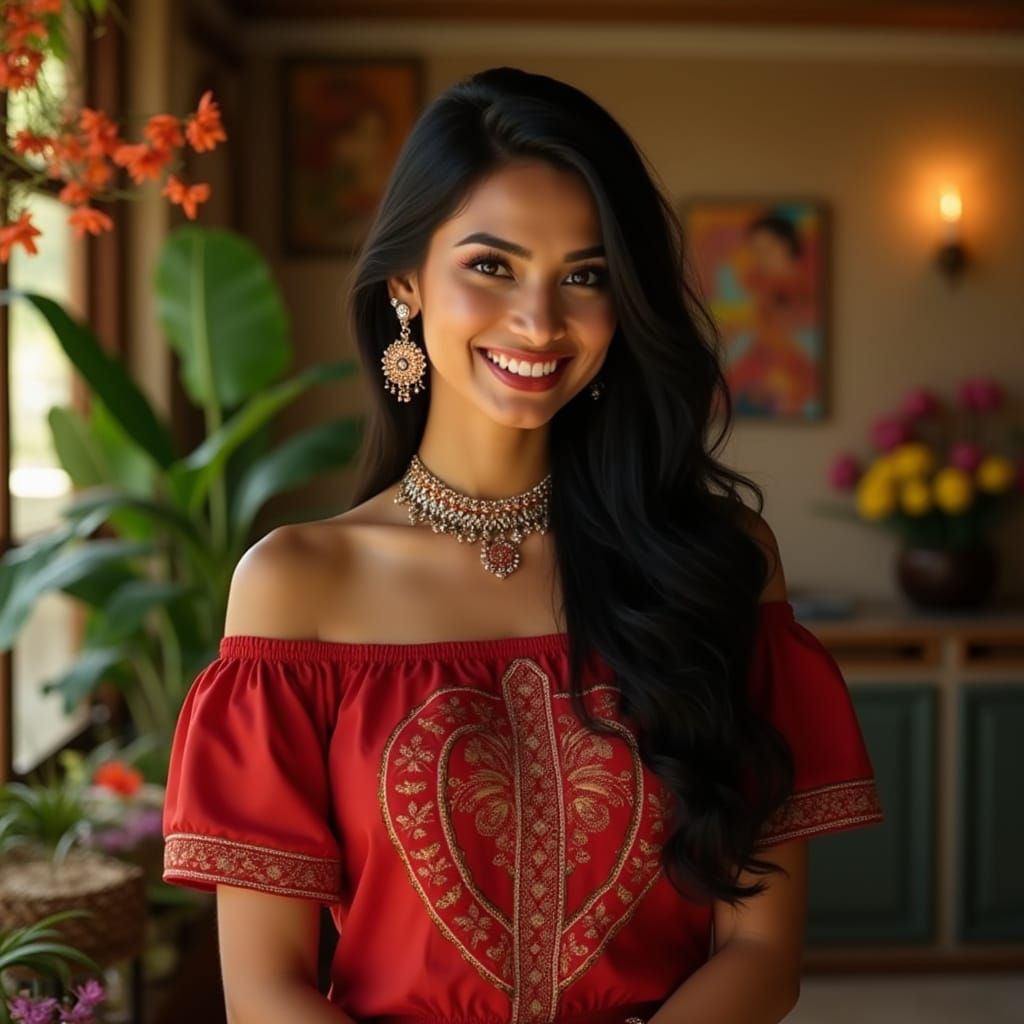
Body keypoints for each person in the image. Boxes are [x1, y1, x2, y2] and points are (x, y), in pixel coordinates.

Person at [161, 66, 884, 1024]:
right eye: (492, 266)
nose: (539, 323)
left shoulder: (715, 560)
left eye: (583, 276)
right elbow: (266, 990)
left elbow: (759, 949)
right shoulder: (298, 585)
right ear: (407, 283)